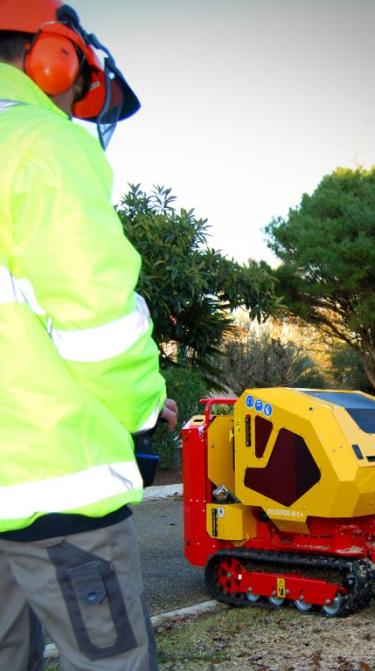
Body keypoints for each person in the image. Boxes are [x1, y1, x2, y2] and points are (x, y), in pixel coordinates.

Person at [0, 1, 177, 668]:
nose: (74, 108)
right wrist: (139, 409)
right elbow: (99, 322)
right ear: (54, 59)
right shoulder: (39, 145)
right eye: (78, 93)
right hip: (57, 492)